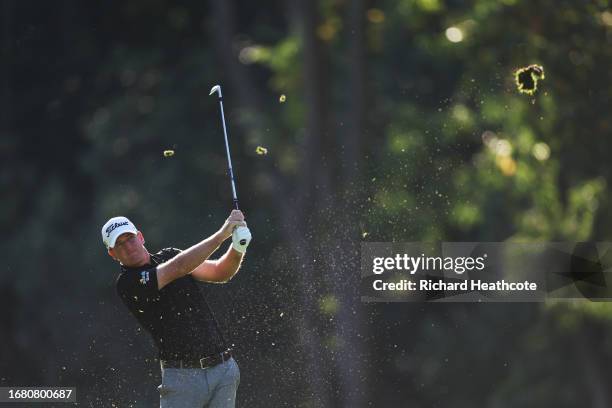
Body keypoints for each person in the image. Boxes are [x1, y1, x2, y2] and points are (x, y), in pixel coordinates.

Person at [101, 210, 252, 407]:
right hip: (182, 379)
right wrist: (222, 235)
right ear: (112, 253)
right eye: (119, 244)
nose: (128, 246)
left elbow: (219, 272)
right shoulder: (128, 283)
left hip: (223, 371)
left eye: (129, 238)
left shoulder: (170, 255)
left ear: (140, 237)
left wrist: (238, 246)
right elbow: (178, 268)